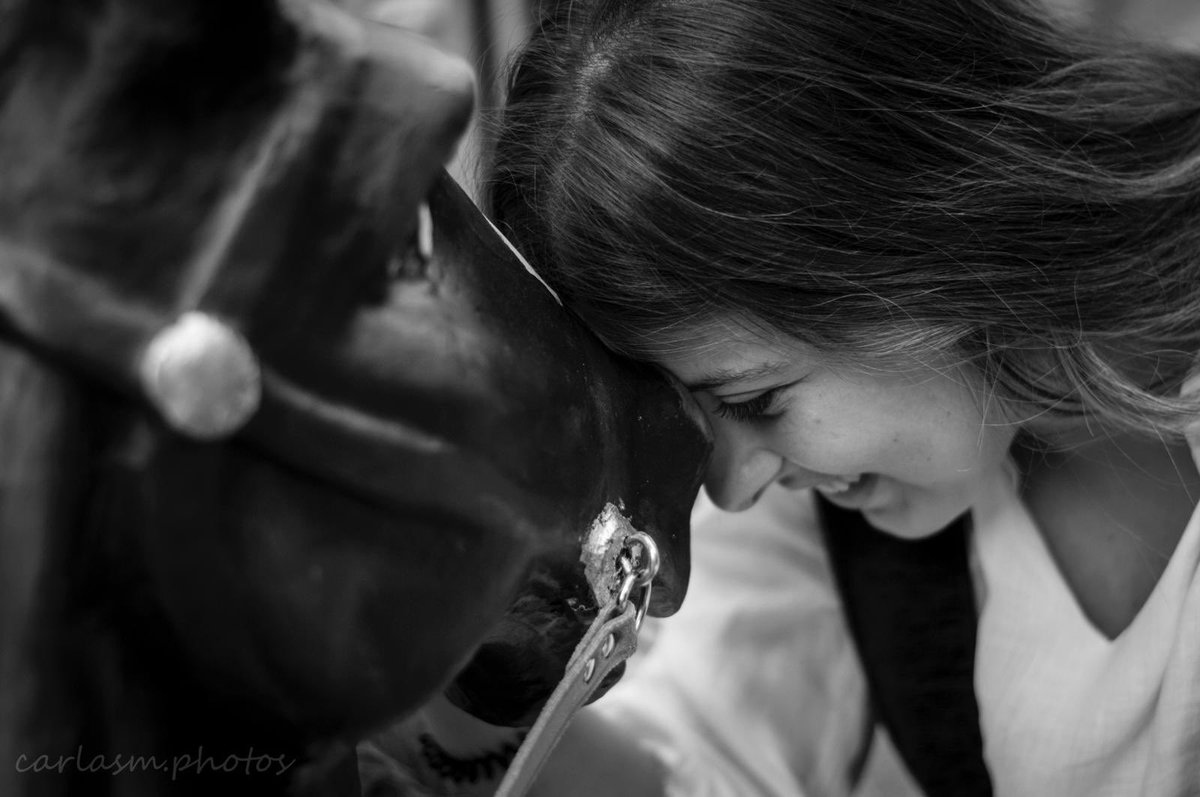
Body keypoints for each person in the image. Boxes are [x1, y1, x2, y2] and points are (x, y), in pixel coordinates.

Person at [369, 0, 1200, 794]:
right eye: (699, 421)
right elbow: (704, 768)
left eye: (759, 398)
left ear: (924, 231)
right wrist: (427, 636)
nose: (732, 491)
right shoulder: (847, 502)